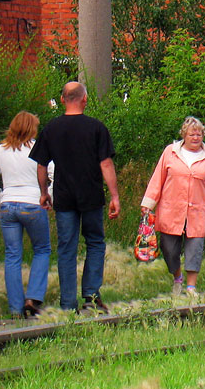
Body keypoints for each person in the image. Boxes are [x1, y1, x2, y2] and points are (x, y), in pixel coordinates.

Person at [30, 81, 120, 312]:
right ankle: (90, 298)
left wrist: (43, 193)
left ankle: (68, 304)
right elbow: (106, 163)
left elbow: (41, 165)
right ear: (85, 99)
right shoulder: (96, 128)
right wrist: (114, 196)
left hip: (64, 197)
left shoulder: (51, 128)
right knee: (95, 243)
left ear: (62, 100)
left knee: (67, 249)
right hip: (91, 195)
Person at [140, 116, 205, 297]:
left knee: (195, 249)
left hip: (198, 212)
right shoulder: (170, 152)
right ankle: (177, 277)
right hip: (171, 210)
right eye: (191, 134)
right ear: (184, 135)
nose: (195, 138)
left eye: (199, 134)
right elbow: (158, 179)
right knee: (169, 249)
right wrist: (149, 202)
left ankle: (191, 287)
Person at [0, 111, 53, 318]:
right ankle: (33, 298)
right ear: (32, 128)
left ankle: (15, 309)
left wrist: (1, 197)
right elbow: (55, 174)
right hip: (33, 204)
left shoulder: (1, 150)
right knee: (42, 249)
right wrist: (48, 196)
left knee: (12, 255)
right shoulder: (39, 148)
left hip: (8, 206)